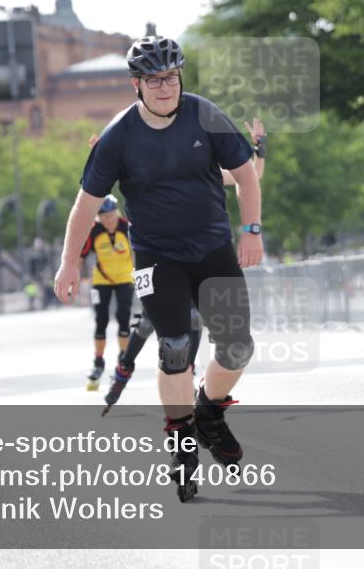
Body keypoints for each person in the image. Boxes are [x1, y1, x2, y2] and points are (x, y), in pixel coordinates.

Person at [54, 35, 263, 502]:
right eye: (154, 79)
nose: (166, 86)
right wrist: (70, 262)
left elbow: (246, 172)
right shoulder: (118, 136)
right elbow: (85, 204)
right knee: (174, 346)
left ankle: (208, 410)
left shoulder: (204, 115)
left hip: (213, 250)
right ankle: (181, 437)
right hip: (156, 256)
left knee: (237, 347)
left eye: (171, 77)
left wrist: (251, 228)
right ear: (137, 84)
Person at [100, 117, 268, 413]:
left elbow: (251, 174)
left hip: (202, 258)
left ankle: (190, 395)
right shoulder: (145, 165)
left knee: (188, 335)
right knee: (150, 325)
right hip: (158, 259)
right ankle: (124, 369)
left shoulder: (207, 169)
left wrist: (259, 148)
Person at [79, 195, 135, 391]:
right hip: (101, 280)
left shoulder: (126, 227)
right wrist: (76, 279)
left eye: (110, 216)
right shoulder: (94, 231)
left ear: (116, 213)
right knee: (101, 319)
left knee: (123, 316)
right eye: (103, 218)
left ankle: (123, 359)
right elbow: (81, 256)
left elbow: (141, 250)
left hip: (125, 278)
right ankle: (98, 362)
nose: (108, 221)